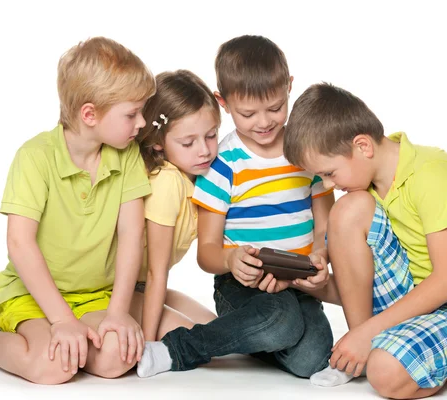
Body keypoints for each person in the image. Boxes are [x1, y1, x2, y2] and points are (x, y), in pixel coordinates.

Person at [0, 37, 156, 384]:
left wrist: (117, 313)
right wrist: (61, 321)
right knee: (52, 367)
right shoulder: (35, 157)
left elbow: (132, 235)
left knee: (118, 356)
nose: (142, 123)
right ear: (90, 114)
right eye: (132, 113)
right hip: (34, 293)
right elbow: (20, 244)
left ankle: (77, 336)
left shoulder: (126, 154)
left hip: (94, 296)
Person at [283, 82, 447, 398]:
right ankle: (361, 355)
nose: (329, 184)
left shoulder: (431, 175)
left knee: (385, 372)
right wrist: (307, 282)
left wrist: (367, 333)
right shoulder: (368, 190)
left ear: (362, 146)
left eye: (330, 173)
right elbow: (367, 286)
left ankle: (379, 351)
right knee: (348, 210)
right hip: (415, 299)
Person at [137, 35, 340, 380]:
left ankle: (251, 337)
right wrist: (231, 260)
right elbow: (208, 252)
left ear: (289, 87)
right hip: (241, 286)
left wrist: (321, 254)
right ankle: (177, 349)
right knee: (280, 323)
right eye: (248, 113)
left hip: (299, 286)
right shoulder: (221, 164)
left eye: (275, 108)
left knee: (312, 362)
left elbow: (326, 226)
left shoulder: (307, 152)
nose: (263, 122)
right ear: (224, 103)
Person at [134, 69, 220, 342]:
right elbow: (155, 270)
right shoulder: (167, 182)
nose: (204, 150)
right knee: (199, 340)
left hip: (145, 286)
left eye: (211, 136)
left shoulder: (200, 177)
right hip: (119, 289)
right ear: (158, 143)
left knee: (219, 330)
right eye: (188, 142)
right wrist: (149, 344)